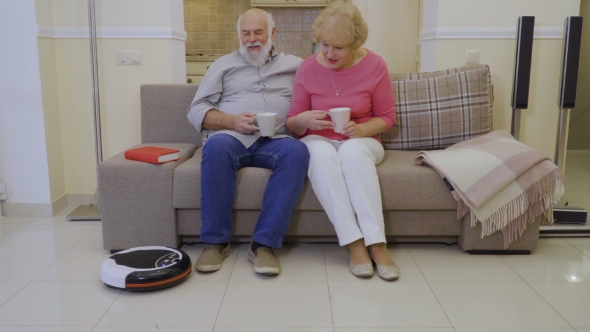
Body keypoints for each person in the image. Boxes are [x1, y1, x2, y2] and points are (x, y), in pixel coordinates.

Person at [187, 8, 309, 276]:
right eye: (246, 33)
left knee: (298, 151)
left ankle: (263, 244)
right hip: (232, 138)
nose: (252, 39)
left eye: (258, 32)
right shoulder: (222, 65)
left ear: (272, 32)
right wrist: (232, 121)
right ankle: (215, 241)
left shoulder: (297, 65)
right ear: (239, 35)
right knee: (216, 147)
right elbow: (196, 110)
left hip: (276, 140)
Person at [286, 3, 399, 280]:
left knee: (351, 153)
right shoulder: (307, 68)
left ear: (355, 42)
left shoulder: (375, 65)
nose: (328, 53)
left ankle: (377, 243)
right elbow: (291, 123)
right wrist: (305, 121)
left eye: (338, 47)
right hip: (318, 139)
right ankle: (355, 243)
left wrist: (359, 130)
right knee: (321, 157)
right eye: (324, 45)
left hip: (362, 141)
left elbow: (386, 117)